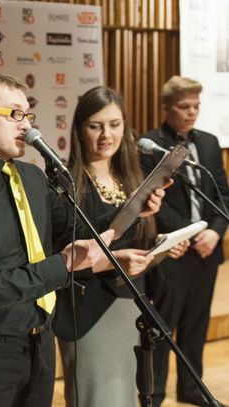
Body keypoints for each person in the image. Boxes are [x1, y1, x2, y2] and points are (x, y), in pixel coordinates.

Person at [0, 73, 165, 407]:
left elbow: (78, 231)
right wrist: (63, 264)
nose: (26, 125)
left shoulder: (33, 176)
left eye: (28, 115)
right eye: (14, 114)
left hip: (41, 342)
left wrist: (135, 208)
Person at [52, 86, 188, 407]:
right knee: (98, 398)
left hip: (132, 304)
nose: (106, 135)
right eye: (95, 126)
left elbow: (135, 246)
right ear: (79, 130)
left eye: (114, 125)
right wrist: (115, 259)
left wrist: (161, 248)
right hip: (88, 310)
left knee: (125, 396)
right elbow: (61, 257)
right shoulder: (65, 184)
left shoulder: (132, 180)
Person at [140, 76, 229, 407]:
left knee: (196, 325)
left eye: (196, 106)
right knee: (162, 327)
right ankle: (154, 396)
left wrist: (215, 230)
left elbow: (222, 194)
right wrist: (189, 232)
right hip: (172, 250)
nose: (192, 112)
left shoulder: (208, 142)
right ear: (166, 108)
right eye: (184, 106)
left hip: (206, 250)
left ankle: (192, 389)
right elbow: (151, 201)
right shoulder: (150, 145)